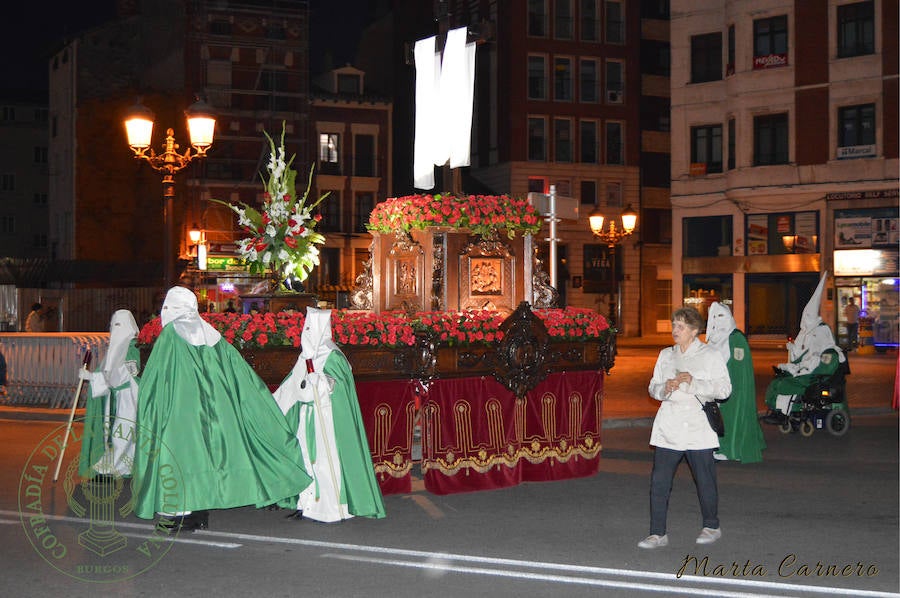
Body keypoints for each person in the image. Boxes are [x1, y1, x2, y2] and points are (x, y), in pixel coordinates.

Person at [131, 286, 312, 532]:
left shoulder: (171, 335)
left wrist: (149, 405)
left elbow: (156, 377)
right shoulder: (212, 336)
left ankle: (183, 514)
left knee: (180, 460)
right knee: (204, 458)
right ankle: (198, 512)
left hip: (179, 414)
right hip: (214, 411)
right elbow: (240, 374)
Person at [273, 307, 386, 522]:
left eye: (310, 328)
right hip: (305, 417)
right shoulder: (304, 356)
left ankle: (329, 507)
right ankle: (305, 504)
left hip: (326, 419)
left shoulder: (333, 356)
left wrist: (323, 383)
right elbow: (291, 384)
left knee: (324, 462)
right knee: (306, 458)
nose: (306, 333)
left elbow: (341, 387)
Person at [638, 306, 732, 549]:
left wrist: (694, 382)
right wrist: (664, 388)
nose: (674, 330)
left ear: (694, 331)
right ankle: (657, 533)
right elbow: (653, 388)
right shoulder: (666, 355)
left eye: (680, 326)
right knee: (659, 482)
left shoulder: (710, 355)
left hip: (698, 428)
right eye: (673, 325)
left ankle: (711, 526)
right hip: (669, 426)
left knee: (705, 480)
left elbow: (724, 390)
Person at [763, 272, 845, 423]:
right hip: (804, 369)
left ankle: (784, 414)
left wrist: (797, 368)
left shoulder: (821, 330)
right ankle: (778, 411)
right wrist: (792, 348)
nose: (805, 319)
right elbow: (800, 353)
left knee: (784, 384)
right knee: (776, 382)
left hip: (812, 373)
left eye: (808, 316)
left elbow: (822, 352)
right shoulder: (805, 332)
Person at [78, 310, 142, 478]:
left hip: (130, 398)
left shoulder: (133, 346)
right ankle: (116, 465)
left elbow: (121, 376)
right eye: (113, 324)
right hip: (116, 398)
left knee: (123, 433)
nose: (115, 329)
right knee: (115, 434)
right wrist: (93, 377)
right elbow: (110, 374)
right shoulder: (116, 347)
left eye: (119, 324)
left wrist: (92, 377)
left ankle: (119, 467)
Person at [705, 302, 765, 463]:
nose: (718, 320)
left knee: (729, 418)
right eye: (715, 316)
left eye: (721, 316)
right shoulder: (713, 339)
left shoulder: (736, 337)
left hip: (732, 388)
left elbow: (739, 367)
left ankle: (730, 450)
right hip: (715, 386)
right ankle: (716, 446)